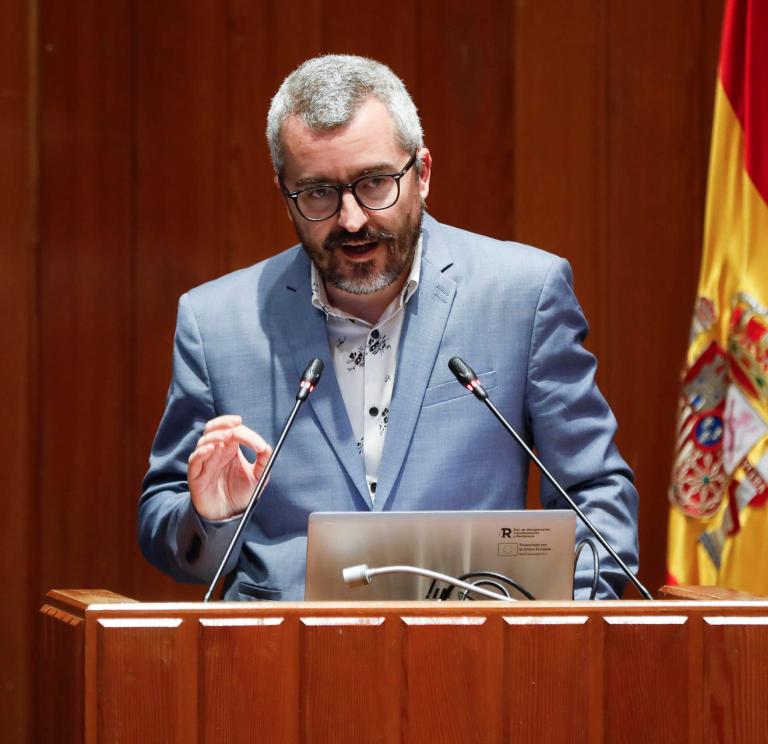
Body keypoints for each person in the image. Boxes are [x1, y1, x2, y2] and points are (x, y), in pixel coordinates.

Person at [137, 54, 639, 600]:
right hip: (282, 668)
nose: (351, 219)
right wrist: (213, 518)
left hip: (483, 658)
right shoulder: (217, 325)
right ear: (286, 195)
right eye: (319, 194)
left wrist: (568, 631)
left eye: (375, 183)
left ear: (422, 172)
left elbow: (595, 491)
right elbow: (167, 527)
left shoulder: (522, 296)